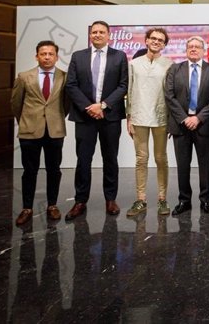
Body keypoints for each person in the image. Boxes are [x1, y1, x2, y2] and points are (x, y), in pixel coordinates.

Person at [64, 21, 129, 221]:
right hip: (85, 117)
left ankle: (110, 199)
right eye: (94, 32)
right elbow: (71, 85)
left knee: (111, 158)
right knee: (83, 159)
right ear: (90, 35)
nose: (98, 35)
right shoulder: (78, 56)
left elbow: (123, 85)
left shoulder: (119, 56)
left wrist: (102, 106)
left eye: (102, 32)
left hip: (110, 116)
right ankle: (80, 200)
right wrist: (90, 107)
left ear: (109, 35)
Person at [11, 41, 69, 225]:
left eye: (50, 54)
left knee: (54, 170)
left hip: (55, 130)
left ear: (56, 57)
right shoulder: (24, 76)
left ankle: (52, 205)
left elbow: (66, 104)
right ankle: (26, 208)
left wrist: (56, 118)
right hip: (30, 130)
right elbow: (16, 104)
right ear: (37, 56)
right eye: (43, 54)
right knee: (30, 171)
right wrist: (25, 121)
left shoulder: (64, 77)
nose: (46, 57)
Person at [165, 36, 209, 216]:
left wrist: (198, 118)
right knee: (182, 165)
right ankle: (184, 200)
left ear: (203, 50)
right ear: (186, 50)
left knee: (205, 165)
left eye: (197, 47)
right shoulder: (175, 69)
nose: (194, 49)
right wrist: (184, 118)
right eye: (190, 47)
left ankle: (205, 201)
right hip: (181, 125)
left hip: (204, 125)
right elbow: (169, 96)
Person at [125, 28, 174, 217]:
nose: (156, 42)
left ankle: (162, 199)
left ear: (164, 44)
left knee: (161, 159)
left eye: (160, 40)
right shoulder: (134, 64)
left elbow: (171, 94)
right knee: (141, 159)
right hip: (138, 116)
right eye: (153, 38)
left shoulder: (170, 65)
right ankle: (141, 199)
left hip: (161, 117)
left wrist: (172, 120)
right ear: (146, 41)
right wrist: (129, 117)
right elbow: (128, 92)